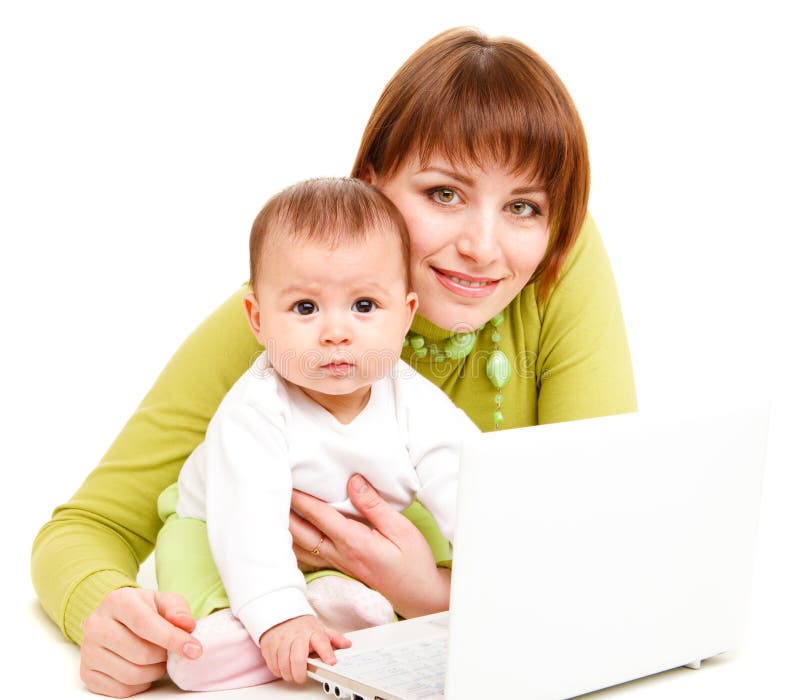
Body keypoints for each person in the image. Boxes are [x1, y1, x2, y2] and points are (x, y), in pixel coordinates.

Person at [30, 26, 636, 698]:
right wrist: (110, 616)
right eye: (443, 193)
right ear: (370, 184)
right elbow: (87, 528)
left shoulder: (557, 266)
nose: (482, 247)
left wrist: (427, 591)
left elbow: (601, 535)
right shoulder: (291, 328)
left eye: (523, 207)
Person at [158, 177, 479, 690]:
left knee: (429, 523)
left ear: (406, 315)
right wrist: (278, 613)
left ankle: (335, 607)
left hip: (351, 531)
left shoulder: (412, 399)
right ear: (258, 320)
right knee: (194, 556)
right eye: (305, 308)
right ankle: (234, 629)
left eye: (365, 306)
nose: (336, 331)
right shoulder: (256, 409)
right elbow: (246, 527)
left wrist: (495, 566)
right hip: (219, 519)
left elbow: (463, 477)